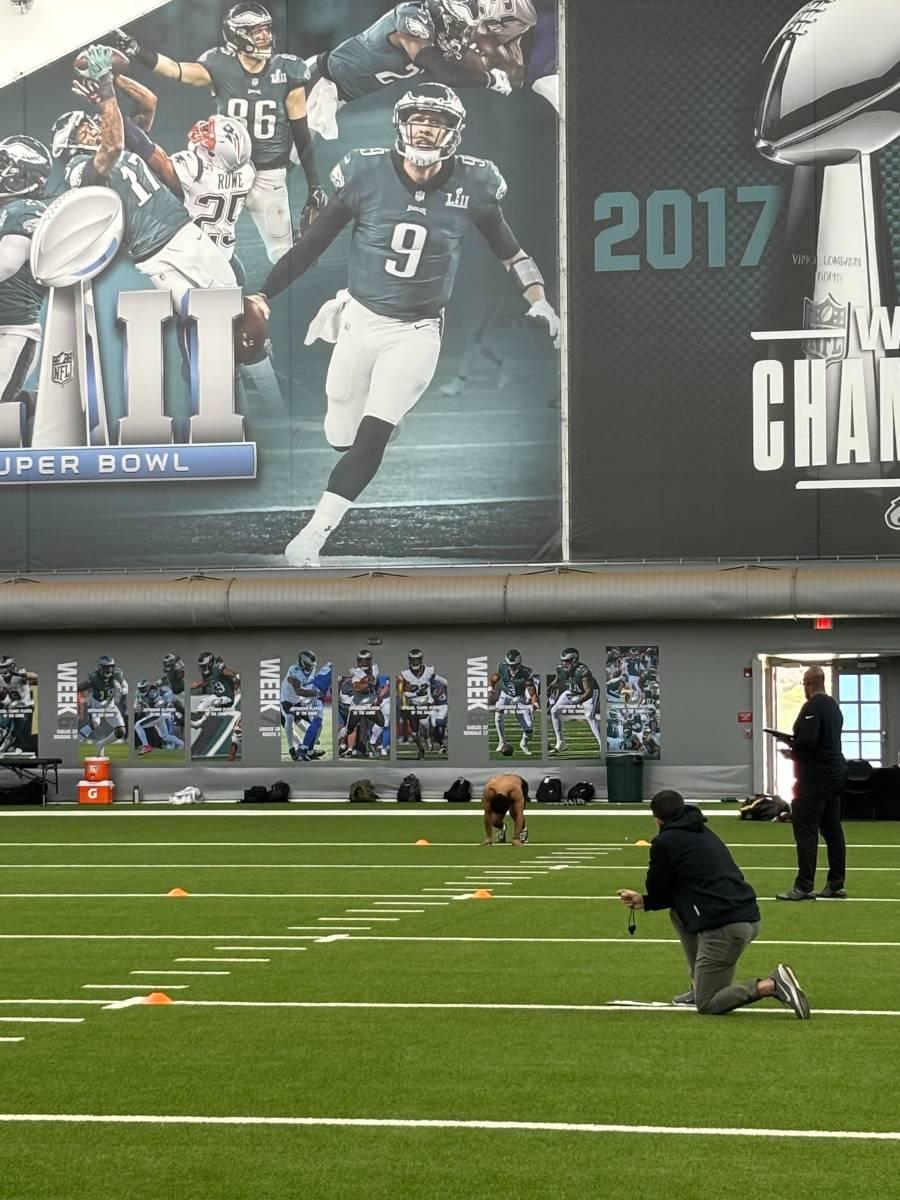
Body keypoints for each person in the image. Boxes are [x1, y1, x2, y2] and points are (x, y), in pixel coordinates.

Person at [251, 81, 559, 566]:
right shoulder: (365, 171)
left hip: (416, 331)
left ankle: (313, 534)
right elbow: (309, 249)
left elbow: (513, 254)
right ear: (401, 126)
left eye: (437, 123)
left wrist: (538, 299)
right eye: (420, 121)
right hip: (359, 318)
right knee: (340, 436)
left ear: (454, 134)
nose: (427, 131)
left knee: (372, 436)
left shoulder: (475, 183)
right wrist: (264, 293)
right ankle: (384, 421)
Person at [111, 3, 325, 262]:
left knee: (283, 256)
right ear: (238, 36)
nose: (265, 36)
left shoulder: (288, 70)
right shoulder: (220, 65)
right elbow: (176, 70)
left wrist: (315, 184)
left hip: (268, 173)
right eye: (256, 32)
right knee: (200, 250)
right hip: (222, 171)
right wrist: (138, 51)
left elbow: (300, 133)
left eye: (266, 30)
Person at [617, 789, 810, 1018]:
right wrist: (646, 902)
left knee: (708, 1004)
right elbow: (677, 892)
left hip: (724, 927)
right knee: (678, 913)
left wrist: (649, 896)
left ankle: (772, 984)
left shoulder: (665, 842)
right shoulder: (703, 831)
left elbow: (657, 886)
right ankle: (697, 985)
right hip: (746, 916)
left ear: (657, 819)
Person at [775, 665, 847, 901]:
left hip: (814, 779)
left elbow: (808, 742)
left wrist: (791, 748)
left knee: (806, 832)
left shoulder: (813, 706)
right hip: (835, 776)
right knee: (833, 830)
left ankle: (804, 886)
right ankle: (836, 883)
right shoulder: (834, 706)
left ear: (808, 683)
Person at [481, 773, 529, 846]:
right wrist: (488, 837)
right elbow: (487, 813)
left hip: (520, 784)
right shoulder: (489, 790)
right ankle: (502, 827)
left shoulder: (515, 790)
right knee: (495, 821)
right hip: (501, 786)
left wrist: (515, 838)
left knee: (514, 813)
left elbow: (519, 813)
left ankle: (523, 829)